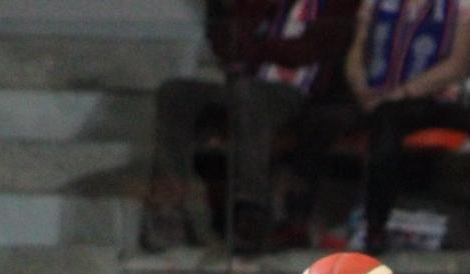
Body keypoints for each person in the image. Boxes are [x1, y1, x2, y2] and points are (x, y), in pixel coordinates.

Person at [141, 0, 359, 254]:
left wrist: (257, 47)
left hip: (295, 95)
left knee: (249, 94)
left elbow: (308, 50)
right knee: (175, 93)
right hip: (246, 86)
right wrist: (245, 40)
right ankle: (168, 207)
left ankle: (250, 209)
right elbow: (228, 45)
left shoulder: (338, 6)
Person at [344, 0, 470, 254]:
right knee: (324, 119)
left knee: (388, 119)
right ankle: (294, 223)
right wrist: (361, 88)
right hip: (378, 98)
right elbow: (357, 52)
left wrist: (402, 93)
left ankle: (376, 224)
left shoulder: (461, 4)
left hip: (434, 100)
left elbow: (456, 65)